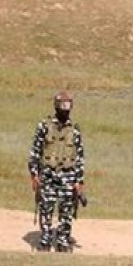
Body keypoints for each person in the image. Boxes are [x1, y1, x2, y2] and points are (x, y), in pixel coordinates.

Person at [27, 90, 86, 252]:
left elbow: (79, 156)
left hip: (68, 175)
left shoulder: (74, 130)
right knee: (46, 208)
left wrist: (79, 182)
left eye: (68, 106)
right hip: (48, 174)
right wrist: (34, 175)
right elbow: (35, 152)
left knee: (66, 211)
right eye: (62, 106)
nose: (65, 110)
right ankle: (45, 240)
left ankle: (63, 241)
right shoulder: (44, 126)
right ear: (56, 106)